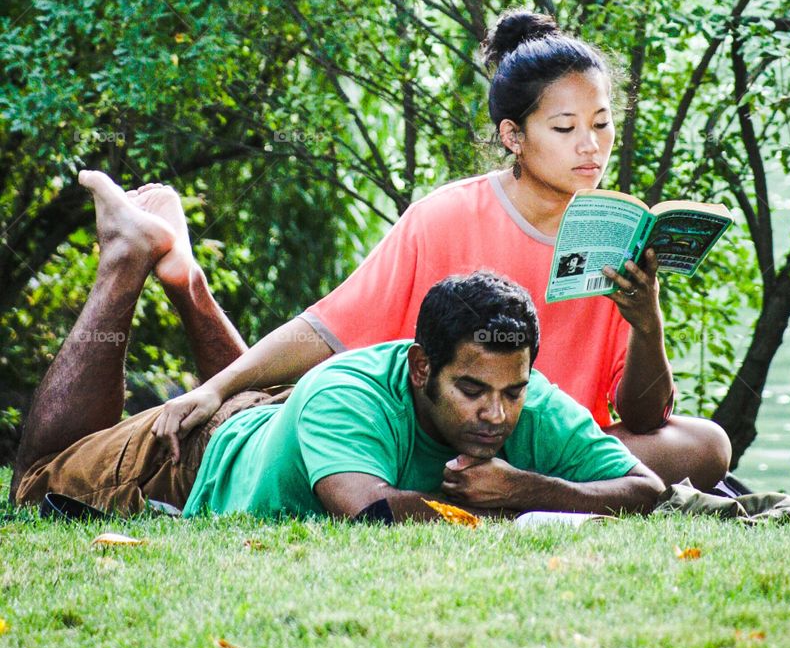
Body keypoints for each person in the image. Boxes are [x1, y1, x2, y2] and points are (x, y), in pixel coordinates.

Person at [150, 10, 731, 491]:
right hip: (446, 439)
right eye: (565, 128)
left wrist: (645, 321)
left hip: (556, 448)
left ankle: (516, 487)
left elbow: (646, 419)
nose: (590, 145)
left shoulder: (615, 230)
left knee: (706, 445)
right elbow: (328, 329)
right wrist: (215, 387)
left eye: (602, 125)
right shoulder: (447, 217)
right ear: (513, 136)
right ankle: (489, 484)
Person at [10, 175, 663, 519]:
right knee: (35, 483)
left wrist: (525, 488)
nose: (496, 413)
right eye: (473, 392)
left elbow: (645, 488)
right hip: (194, 456)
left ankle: (186, 279)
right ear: (421, 366)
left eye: (512, 392)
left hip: (287, 421)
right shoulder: (346, 393)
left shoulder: (523, 398)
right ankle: (126, 255)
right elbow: (367, 508)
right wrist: (507, 504)